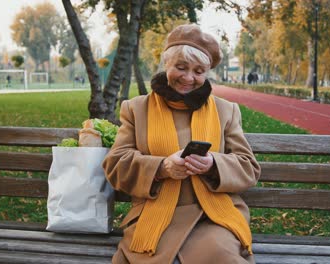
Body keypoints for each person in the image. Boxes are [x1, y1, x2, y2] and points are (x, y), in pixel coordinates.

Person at [102, 24, 261, 264]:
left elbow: (248, 166)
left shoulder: (225, 110)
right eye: (181, 67)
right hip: (154, 215)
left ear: (207, 72)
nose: (188, 78)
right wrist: (162, 168)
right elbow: (115, 165)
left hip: (212, 216)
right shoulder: (136, 108)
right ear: (166, 64)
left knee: (221, 257)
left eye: (198, 71)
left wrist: (213, 165)